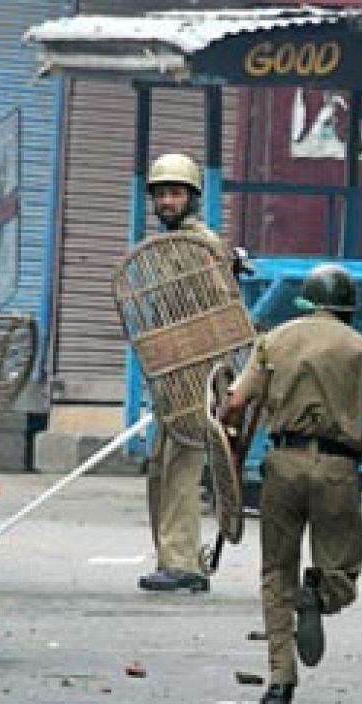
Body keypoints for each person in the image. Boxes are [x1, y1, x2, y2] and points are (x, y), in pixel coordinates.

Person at [221, 264, 362, 704]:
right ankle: (319, 596)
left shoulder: (274, 340)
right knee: (343, 567)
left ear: (307, 301)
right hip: (337, 466)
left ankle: (280, 680)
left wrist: (231, 450)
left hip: (282, 463)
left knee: (276, 571)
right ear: (347, 307)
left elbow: (235, 402)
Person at [136, 152, 226, 595]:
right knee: (161, 467)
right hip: (170, 374)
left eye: (176, 193)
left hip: (196, 372)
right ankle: (176, 557)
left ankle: (182, 562)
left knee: (181, 466)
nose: (168, 201)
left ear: (193, 198)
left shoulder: (201, 245)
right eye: (161, 194)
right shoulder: (169, 245)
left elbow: (221, 309)